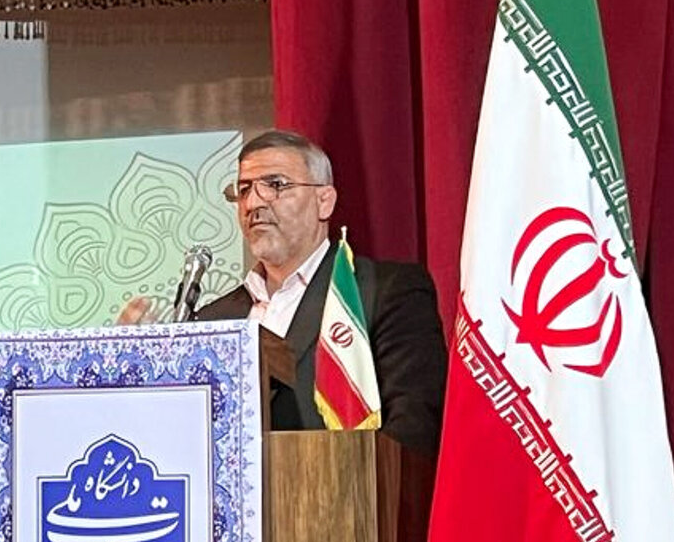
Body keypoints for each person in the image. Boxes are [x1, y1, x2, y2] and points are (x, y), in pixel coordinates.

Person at [122, 129, 447, 454]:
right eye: (244, 190)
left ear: (324, 201)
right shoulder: (213, 321)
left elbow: (414, 430)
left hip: (341, 483)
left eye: (275, 185)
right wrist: (137, 369)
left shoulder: (383, 292)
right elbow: (176, 437)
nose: (253, 203)